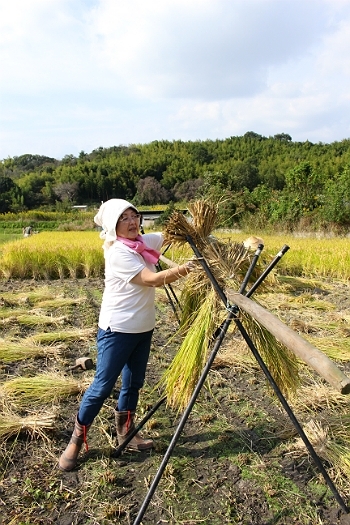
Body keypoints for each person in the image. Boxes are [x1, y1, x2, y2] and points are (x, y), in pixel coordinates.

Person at [59, 198, 193, 471]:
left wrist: (200, 232)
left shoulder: (143, 243)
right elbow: (152, 280)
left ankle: (126, 432)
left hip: (143, 328)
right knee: (102, 386)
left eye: (135, 216)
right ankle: (76, 440)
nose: (132, 222)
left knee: (133, 383)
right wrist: (187, 268)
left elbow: (171, 234)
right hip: (117, 330)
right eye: (124, 218)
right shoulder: (119, 252)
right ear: (113, 226)